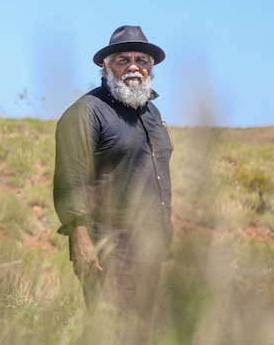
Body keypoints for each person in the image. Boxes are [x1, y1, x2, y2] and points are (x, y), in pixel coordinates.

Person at [53, 25, 173, 342]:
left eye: (142, 59)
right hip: (108, 249)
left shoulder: (152, 114)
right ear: (105, 66)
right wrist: (81, 241)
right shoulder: (86, 112)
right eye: (123, 59)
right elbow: (71, 180)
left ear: (151, 68)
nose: (134, 66)